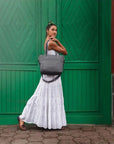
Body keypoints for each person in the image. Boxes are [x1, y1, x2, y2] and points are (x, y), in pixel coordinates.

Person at [17, 21, 68, 130]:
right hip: (51, 76)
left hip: (49, 76)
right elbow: (65, 52)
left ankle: (52, 123)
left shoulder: (47, 42)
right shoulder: (51, 43)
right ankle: (22, 117)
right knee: (43, 97)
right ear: (47, 30)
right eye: (52, 29)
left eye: (56, 30)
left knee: (44, 97)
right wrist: (58, 41)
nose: (55, 32)